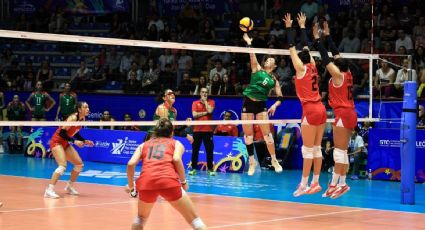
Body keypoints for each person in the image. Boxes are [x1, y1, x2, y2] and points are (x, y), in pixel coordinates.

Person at [126, 118, 207, 230]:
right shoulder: (176, 143)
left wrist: (132, 188)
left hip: (146, 184)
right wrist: (183, 182)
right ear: (172, 132)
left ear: (155, 131)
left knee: (140, 218)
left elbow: (130, 164)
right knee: (194, 220)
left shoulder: (144, 145)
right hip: (168, 182)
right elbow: (177, 159)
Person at [313, 21, 357, 198]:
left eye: (335, 63)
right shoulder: (347, 73)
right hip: (349, 113)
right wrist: (328, 36)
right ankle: (342, 184)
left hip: (343, 113)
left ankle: (333, 184)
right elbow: (334, 53)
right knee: (342, 151)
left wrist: (317, 40)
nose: (333, 62)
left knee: (339, 152)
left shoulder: (338, 76)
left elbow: (325, 58)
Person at [283, 13, 326, 196]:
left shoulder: (300, 69)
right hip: (321, 109)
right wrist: (301, 26)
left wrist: (288, 27)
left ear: (300, 60)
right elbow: (305, 45)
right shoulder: (313, 65)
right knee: (316, 148)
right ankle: (316, 182)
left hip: (310, 110)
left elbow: (292, 47)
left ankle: (303, 184)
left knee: (307, 150)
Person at [241, 32, 283, 176]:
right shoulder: (257, 69)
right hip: (248, 103)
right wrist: (249, 43)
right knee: (248, 136)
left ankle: (274, 160)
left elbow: (280, 97)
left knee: (268, 136)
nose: (269, 60)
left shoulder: (274, 80)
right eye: (268, 59)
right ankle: (252, 162)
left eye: (272, 60)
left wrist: (275, 105)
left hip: (261, 106)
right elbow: (252, 55)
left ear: (275, 65)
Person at [44, 101, 94, 198]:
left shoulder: (82, 119)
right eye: (85, 107)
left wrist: (84, 140)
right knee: (62, 166)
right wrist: (75, 142)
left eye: (88, 107)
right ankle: (49, 190)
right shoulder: (73, 118)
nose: (88, 109)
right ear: (79, 109)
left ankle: (69, 186)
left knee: (79, 164)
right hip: (57, 142)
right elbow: (62, 133)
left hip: (65, 143)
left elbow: (75, 132)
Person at [189, 87, 215, 176]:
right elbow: (194, 115)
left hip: (208, 131)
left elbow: (210, 111)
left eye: (206, 92)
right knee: (195, 150)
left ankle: (210, 169)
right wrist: (205, 113)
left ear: (208, 94)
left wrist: (206, 102)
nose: (204, 94)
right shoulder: (195, 103)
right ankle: (193, 168)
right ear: (200, 93)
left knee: (209, 150)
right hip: (197, 130)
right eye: (203, 92)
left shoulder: (211, 102)